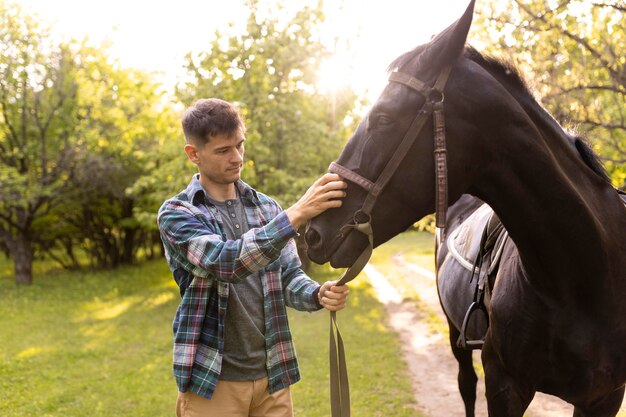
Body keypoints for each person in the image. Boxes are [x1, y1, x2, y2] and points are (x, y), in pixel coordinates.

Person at [157, 98, 350, 417]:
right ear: (194, 154)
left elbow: (289, 277)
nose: (236, 158)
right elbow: (225, 261)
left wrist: (317, 293)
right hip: (213, 381)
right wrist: (297, 214)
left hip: (272, 376)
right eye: (223, 150)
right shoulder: (177, 213)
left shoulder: (267, 209)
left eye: (239, 145)